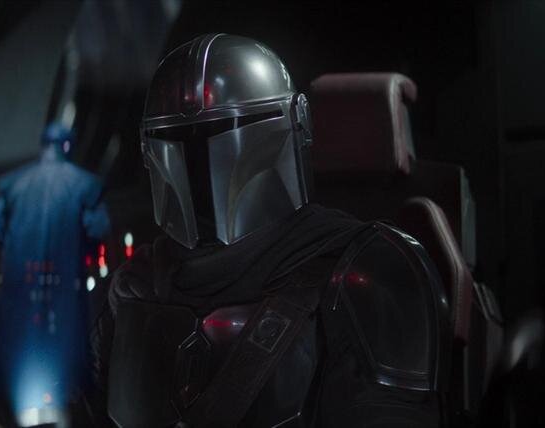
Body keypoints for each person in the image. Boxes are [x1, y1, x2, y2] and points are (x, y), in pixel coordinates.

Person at [88, 34, 450, 427]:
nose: (199, 159)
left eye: (227, 126)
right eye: (175, 136)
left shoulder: (369, 273)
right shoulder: (135, 287)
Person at [0, 123, 110, 426]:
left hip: (20, 288)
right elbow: (98, 229)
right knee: (69, 353)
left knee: (15, 351)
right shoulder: (84, 184)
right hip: (64, 286)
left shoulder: (13, 184)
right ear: (67, 147)